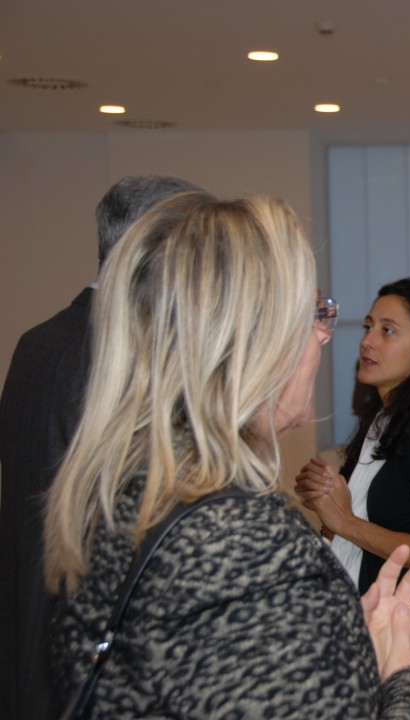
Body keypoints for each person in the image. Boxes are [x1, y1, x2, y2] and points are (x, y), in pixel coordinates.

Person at [44, 192, 410, 717]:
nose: (325, 337)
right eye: (314, 315)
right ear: (259, 343)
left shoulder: (124, 487)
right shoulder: (247, 546)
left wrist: (345, 654)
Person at [0, 174, 201, 720]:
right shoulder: (124, 359)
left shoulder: (39, 341)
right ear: (156, 246)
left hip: (27, 636)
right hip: (83, 657)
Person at [295, 277, 410, 593]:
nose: (367, 341)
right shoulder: (383, 420)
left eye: (387, 331)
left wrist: (344, 521)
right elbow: (364, 530)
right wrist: (326, 501)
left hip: (403, 617)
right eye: (368, 327)